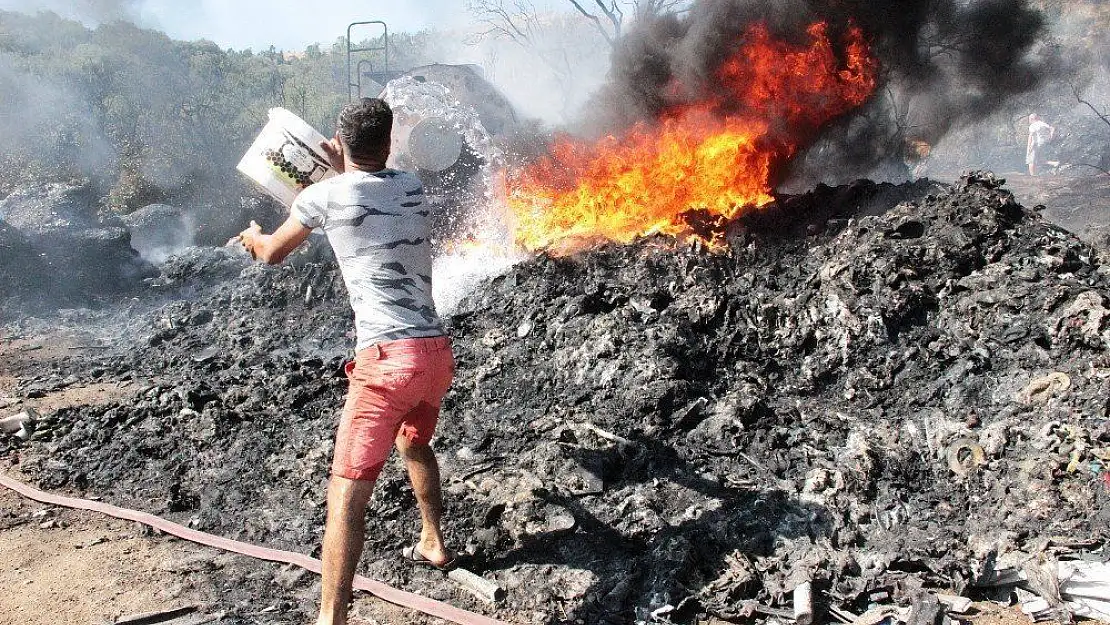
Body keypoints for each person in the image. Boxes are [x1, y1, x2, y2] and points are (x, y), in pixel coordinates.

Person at [233, 98, 457, 625]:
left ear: (337, 140)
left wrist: (250, 235)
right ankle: (433, 540)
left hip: (383, 362)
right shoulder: (414, 187)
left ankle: (331, 617)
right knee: (415, 442)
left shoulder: (321, 197)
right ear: (391, 140)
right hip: (434, 354)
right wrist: (346, 168)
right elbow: (366, 185)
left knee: (347, 494)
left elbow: (271, 252)